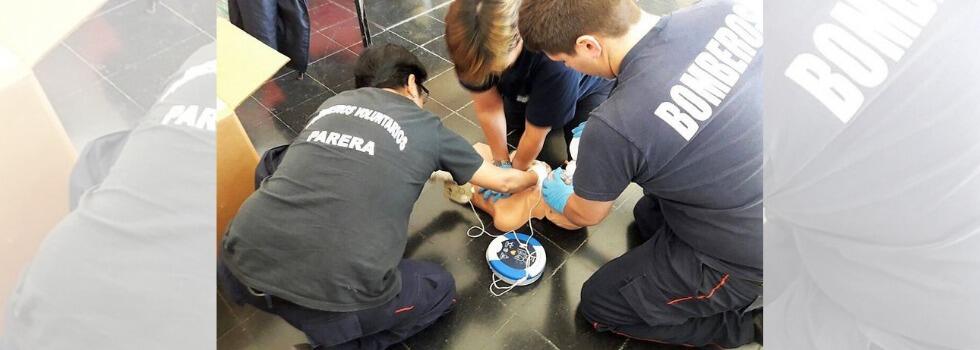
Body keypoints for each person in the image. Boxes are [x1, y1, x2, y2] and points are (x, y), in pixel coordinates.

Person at [217, 44, 540, 350]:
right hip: (334, 299)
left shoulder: (333, 104)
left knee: (277, 158)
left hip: (236, 262)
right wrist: (535, 175)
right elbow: (505, 182)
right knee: (439, 288)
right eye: (424, 93)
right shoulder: (425, 125)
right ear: (412, 83)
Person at [520, 0, 763, 347]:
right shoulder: (724, 9)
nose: (567, 68)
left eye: (564, 61)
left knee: (600, 304)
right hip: (792, 188)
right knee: (646, 212)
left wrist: (551, 188)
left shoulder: (616, 125)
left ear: (588, 45)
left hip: (748, 257)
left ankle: (745, 326)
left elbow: (584, 214)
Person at [443, 0, 614, 201]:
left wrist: (514, 176)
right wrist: (501, 165)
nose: (489, 76)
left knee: (584, 153)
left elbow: (535, 134)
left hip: (588, 88)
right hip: (527, 82)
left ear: (518, 39)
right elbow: (488, 107)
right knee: (516, 125)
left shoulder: (554, 60)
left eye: (495, 69)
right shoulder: (468, 45)